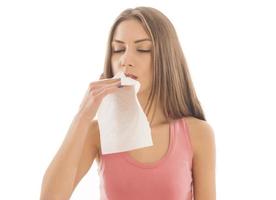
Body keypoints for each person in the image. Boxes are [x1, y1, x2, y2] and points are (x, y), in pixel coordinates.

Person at [40, 6, 216, 200]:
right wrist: (83, 115)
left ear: (166, 58)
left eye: (142, 49)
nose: (125, 60)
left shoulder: (197, 133)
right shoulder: (98, 134)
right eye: (119, 49)